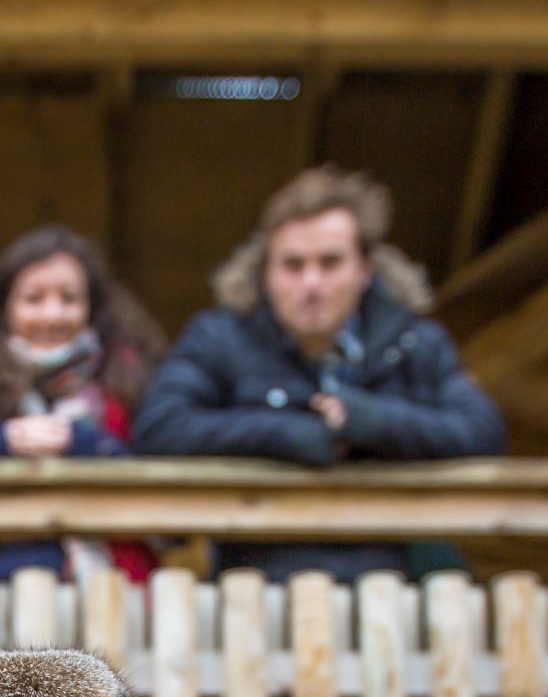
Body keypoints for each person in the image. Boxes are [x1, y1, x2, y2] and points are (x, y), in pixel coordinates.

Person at [134, 165, 505, 581]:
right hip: (257, 585)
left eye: (330, 263)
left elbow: (481, 430)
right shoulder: (218, 337)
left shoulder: (417, 341)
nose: (311, 283)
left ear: (365, 268)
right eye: (293, 265)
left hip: (392, 585)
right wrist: (287, 434)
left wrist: (368, 421)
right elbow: (159, 426)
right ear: (266, 272)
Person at [0, 227, 167, 583]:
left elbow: (157, 483)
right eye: (34, 299)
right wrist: (3, 442)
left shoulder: (129, 375)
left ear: (91, 307)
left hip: (111, 587)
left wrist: (79, 443)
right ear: (5, 307)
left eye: (69, 299)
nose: (52, 315)